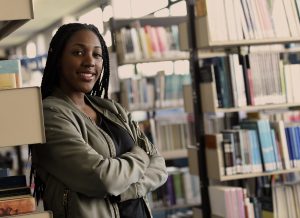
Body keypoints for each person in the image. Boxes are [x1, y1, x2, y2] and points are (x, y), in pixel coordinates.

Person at [30, 23, 168, 218]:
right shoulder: (49, 115)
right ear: (58, 59)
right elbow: (103, 179)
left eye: (97, 55)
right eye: (78, 53)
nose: (90, 61)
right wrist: (140, 156)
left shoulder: (113, 109)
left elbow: (160, 166)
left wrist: (122, 190)